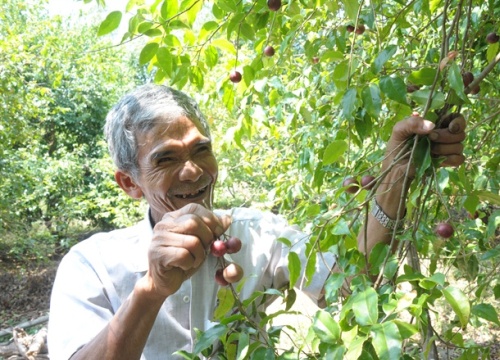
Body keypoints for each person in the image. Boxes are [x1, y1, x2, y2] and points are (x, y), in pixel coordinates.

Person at [47, 84, 466, 360]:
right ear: (129, 183)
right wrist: (151, 290)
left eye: (200, 150)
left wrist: (397, 174)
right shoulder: (91, 264)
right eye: (166, 158)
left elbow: (356, 276)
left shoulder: (255, 233)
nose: (193, 171)